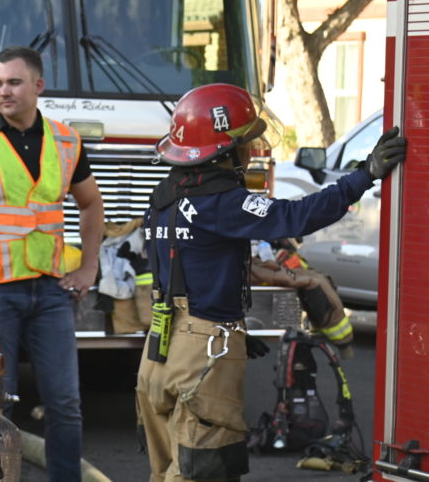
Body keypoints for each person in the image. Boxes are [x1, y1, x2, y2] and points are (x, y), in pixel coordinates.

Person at [136, 83, 406, 482]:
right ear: (224, 151)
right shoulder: (222, 201)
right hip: (204, 352)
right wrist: (364, 175)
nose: (251, 150)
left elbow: (192, 270)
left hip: (158, 354)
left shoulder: (164, 197)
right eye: (245, 142)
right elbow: (297, 216)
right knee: (201, 473)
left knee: (164, 473)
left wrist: (229, 328)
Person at [0, 45, 105, 482]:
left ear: (38, 85)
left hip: (51, 290)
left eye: (14, 82)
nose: (4, 91)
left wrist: (89, 267)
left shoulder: (66, 141)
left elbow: (91, 204)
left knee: (65, 404)